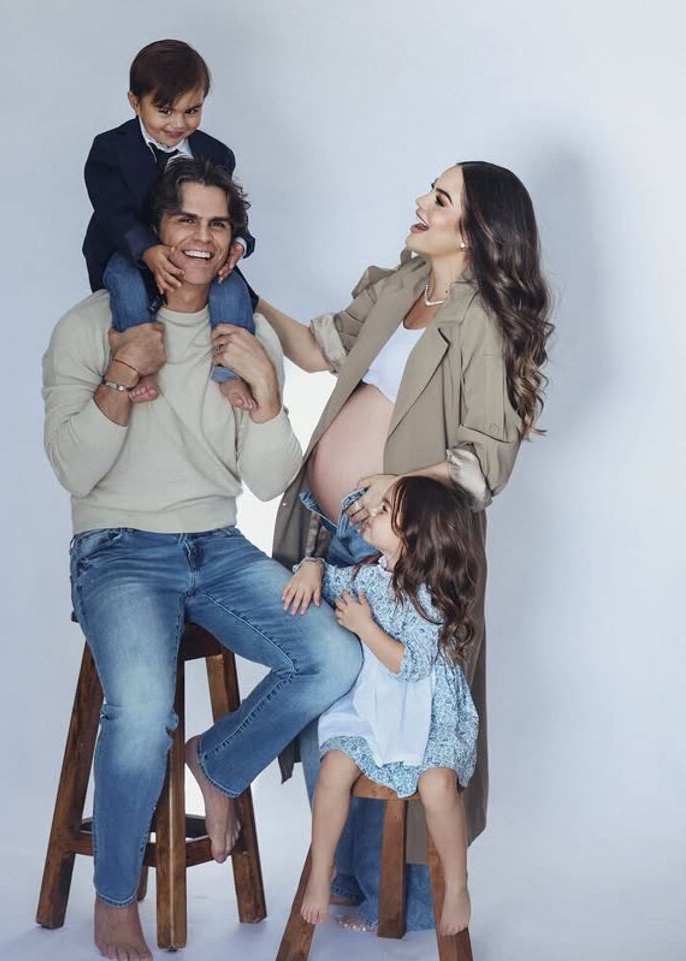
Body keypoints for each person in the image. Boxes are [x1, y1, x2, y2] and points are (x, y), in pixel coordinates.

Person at [43, 157, 361, 961]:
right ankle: (117, 897)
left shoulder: (244, 336)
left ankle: (218, 764)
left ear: (233, 247)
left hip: (216, 545)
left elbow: (269, 478)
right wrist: (124, 371)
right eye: (185, 219)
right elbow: (75, 468)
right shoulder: (89, 326)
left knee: (333, 654)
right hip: (117, 547)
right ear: (156, 231)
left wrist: (270, 395)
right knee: (141, 711)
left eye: (218, 224)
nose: (201, 237)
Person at [261, 161, 553, 931]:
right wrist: (244, 295)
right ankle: (344, 878)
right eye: (430, 191)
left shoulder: (480, 320)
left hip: (412, 549)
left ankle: (406, 892)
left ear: (475, 231)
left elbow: (486, 461)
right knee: (335, 696)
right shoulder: (402, 286)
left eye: (441, 198)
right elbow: (318, 347)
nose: (421, 202)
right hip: (329, 535)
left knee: (410, 706)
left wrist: (398, 480)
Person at [283, 476, 480, 935]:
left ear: (415, 532)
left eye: (386, 509)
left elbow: (410, 664)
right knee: (334, 769)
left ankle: (456, 884)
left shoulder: (431, 593)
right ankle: (322, 870)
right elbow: (332, 581)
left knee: (437, 787)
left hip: (429, 716)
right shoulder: (369, 575)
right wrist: (312, 566)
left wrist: (364, 627)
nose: (371, 512)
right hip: (376, 707)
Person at [82, 38, 258, 409]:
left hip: (196, 251)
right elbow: (113, 210)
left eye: (192, 110)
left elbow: (231, 210)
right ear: (135, 102)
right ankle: (141, 362)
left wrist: (238, 243)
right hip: (128, 248)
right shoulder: (110, 149)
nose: (179, 124)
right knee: (127, 285)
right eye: (165, 111)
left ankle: (229, 371)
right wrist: (146, 249)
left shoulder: (217, 154)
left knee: (232, 292)